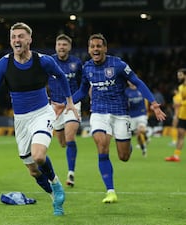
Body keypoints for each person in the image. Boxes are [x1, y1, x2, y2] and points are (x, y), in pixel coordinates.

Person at [54, 33, 166, 203]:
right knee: (102, 146)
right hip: (98, 112)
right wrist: (66, 102)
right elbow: (83, 91)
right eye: (92, 46)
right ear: (89, 49)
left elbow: (138, 82)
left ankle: (127, 147)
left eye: (99, 46)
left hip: (120, 113)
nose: (96, 49)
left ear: (105, 48)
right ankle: (110, 191)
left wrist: (153, 103)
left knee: (123, 156)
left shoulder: (118, 65)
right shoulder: (87, 68)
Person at [0, 22, 78, 216]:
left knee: (39, 155)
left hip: (42, 113)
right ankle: (54, 197)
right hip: (21, 120)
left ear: (29, 39)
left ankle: (56, 184)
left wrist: (69, 101)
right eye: (13, 37)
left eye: (20, 36)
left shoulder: (43, 61)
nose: (16, 40)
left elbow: (61, 76)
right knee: (34, 171)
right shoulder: (3, 63)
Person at [48, 34, 82, 187]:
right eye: (59, 44)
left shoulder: (76, 63)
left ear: (69, 47)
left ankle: (71, 173)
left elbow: (83, 84)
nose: (62, 47)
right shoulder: (49, 62)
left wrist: (73, 101)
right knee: (62, 142)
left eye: (64, 44)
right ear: (56, 46)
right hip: (55, 106)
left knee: (70, 137)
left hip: (72, 104)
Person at [165, 68, 186, 162]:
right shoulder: (181, 87)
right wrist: (177, 115)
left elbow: (182, 102)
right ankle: (176, 156)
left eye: (180, 75)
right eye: (178, 75)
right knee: (180, 135)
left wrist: (181, 103)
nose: (178, 77)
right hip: (183, 115)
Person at [125, 81, 149, 157]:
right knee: (138, 134)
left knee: (140, 130)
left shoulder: (141, 89)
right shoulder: (126, 91)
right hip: (131, 115)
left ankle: (146, 136)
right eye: (129, 81)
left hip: (141, 113)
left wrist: (147, 111)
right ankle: (143, 148)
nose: (131, 82)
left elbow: (146, 99)